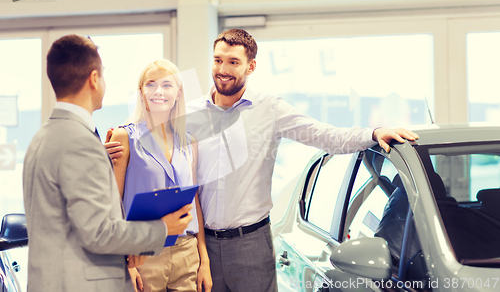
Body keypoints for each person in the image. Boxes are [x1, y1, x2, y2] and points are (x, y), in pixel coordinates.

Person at [107, 29, 418, 292]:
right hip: (201, 248)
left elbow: (324, 135)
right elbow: (152, 138)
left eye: (233, 62)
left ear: (251, 67)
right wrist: (110, 149)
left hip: (250, 245)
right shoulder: (191, 114)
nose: (223, 69)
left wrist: (373, 132)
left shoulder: (270, 109)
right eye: (217, 61)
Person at [22, 35, 193, 292]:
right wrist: (162, 229)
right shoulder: (80, 143)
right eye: (103, 75)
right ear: (94, 79)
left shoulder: (44, 136)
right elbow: (98, 232)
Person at [107, 59, 212, 292]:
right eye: (150, 85)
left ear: (178, 92)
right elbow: (113, 205)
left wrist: (204, 260)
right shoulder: (123, 137)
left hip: (187, 252)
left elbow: (194, 202)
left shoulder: (189, 142)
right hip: (143, 255)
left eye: (167, 85)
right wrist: (126, 262)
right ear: (141, 92)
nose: (158, 91)